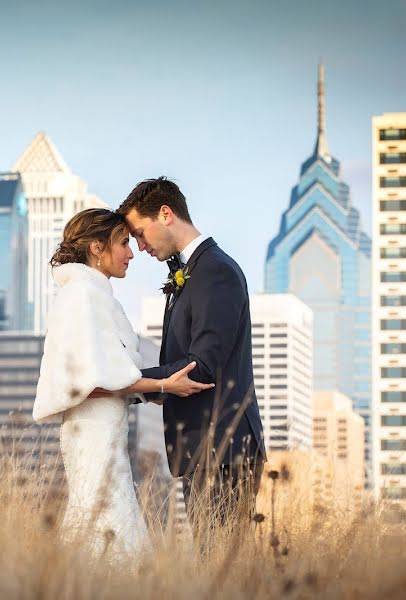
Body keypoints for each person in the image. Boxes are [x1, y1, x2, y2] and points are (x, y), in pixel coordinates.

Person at [33, 207, 213, 562]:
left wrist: (151, 386)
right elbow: (90, 382)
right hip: (93, 433)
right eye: (123, 243)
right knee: (105, 527)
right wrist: (163, 386)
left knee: (108, 523)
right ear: (97, 248)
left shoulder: (95, 295)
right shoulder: (82, 296)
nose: (131, 253)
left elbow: (108, 375)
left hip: (106, 433)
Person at [117, 176, 266, 545]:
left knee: (219, 571)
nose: (139, 246)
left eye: (139, 233)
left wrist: (126, 382)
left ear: (165, 214)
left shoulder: (214, 270)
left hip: (225, 448)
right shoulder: (193, 272)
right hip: (205, 449)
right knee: (210, 567)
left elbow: (200, 368)